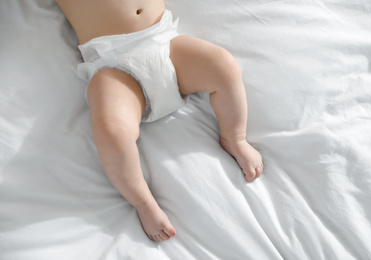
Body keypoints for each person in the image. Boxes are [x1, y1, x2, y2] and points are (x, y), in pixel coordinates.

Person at [56, 0, 264, 242]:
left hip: (164, 42)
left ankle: (234, 137)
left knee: (223, 65)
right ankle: (143, 201)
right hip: (114, 63)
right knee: (111, 130)